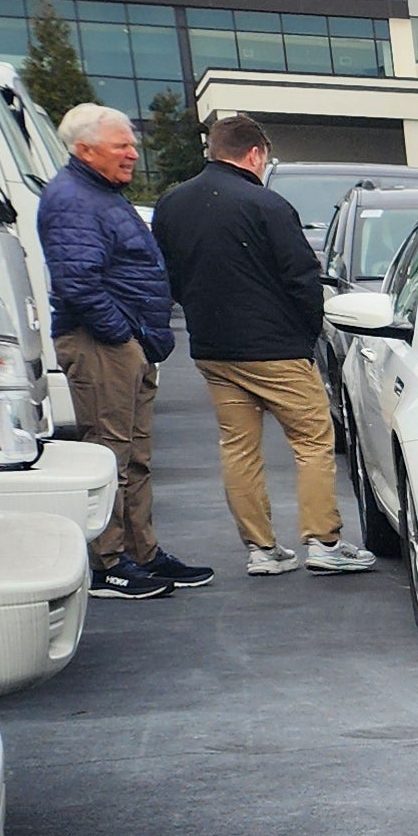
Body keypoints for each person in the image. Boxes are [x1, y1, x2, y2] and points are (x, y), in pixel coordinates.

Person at [150, 111, 376, 576]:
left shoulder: (172, 205)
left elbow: (169, 277)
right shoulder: (268, 206)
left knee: (238, 446)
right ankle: (322, 539)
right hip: (276, 348)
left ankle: (261, 549)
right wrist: (307, 333)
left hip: (213, 347)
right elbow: (301, 278)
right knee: (313, 439)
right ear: (255, 154)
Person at [33, 104, 209, 600]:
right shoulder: (73, 199)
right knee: (110, 453)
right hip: (102, 345)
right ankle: (108, 563)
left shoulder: (99, 194)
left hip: (122, 344)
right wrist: (122, 336)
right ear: (84, 149)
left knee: (134, 455)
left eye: (132, 144)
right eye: (121, 146)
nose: (133, 153)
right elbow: (76, 281)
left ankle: (143, 553)